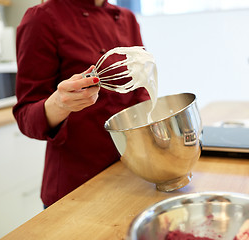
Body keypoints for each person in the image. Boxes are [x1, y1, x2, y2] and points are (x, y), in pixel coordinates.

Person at [13, 0, 149, 208]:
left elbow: (141, 90)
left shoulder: (127, 18)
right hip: (75, 185)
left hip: (132, 171)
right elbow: (26, 115)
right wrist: (60, 103)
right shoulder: (42, 18)